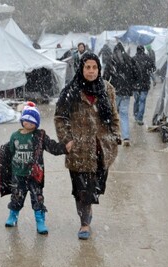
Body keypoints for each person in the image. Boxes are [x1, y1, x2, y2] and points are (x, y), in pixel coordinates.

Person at [54, 52, 121, 240]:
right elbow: (60, 118)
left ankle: (88, 208)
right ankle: (84, 222)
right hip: (79, 149)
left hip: (101, 148)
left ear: (99, 69)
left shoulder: (107, 89)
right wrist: (67, 139)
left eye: (94, 67)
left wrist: (115, 136)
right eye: (87, 67)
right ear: (81, 69)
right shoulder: (71, 91)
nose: (91, 71)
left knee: (95, 187)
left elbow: (114, 115)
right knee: (81, 189)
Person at [0, 102, 73, 234]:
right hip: (18, 174)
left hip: (35, 175)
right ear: (22, 121)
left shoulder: (40, 136)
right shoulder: (15, 136)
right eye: (27, 120)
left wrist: (64, 148)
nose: (29, 123)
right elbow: (10, 152)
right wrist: (7, 171)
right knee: (16, 197)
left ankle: (40, 221)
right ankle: (13, 216)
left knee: (37, 198)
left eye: (33, 121)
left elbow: (52, 147)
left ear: (37, 123)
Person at [104, 42, 137, 146]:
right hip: (126, 91)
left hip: (116, 90)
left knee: (112, 113)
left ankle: (114, 135)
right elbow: (137, 73)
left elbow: (105, 76)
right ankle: (126, 137)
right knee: (124, 114)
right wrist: (132, 84)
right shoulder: (129, 60)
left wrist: (105, 87)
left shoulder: (111, 61)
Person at [132, 45, 156, 126]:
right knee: (142, 101)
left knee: (137, 100)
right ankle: (139, 118)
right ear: (143, 50)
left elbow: (130, 72)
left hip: (135, 85)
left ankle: (135, 115)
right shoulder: (148, 59)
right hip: (145, 84)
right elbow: (153, 68)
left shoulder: (133, 59)